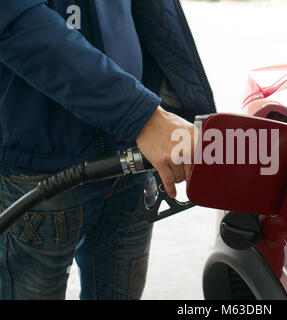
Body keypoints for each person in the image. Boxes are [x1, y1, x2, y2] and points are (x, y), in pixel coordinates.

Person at [0, 0, 215, 300]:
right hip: (44, 161)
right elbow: (19, 23)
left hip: (134, 155)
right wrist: (144, 117)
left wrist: (166, 110)